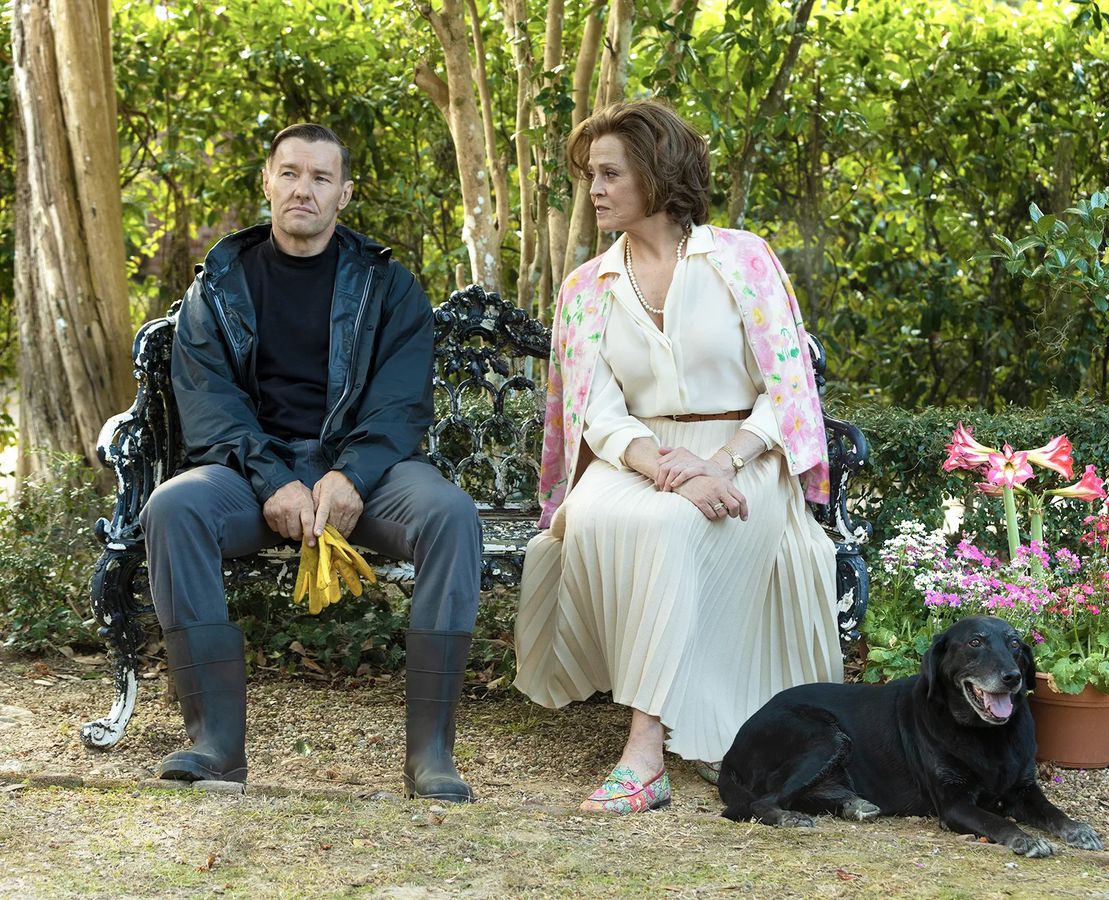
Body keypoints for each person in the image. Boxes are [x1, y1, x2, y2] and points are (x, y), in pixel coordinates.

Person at [514, 100, 843, 814]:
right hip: (636, 459)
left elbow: (785, 391)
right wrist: (660, 466)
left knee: (671, 529)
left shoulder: (742, 260)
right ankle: (649, 730)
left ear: (658, 176)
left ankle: (643, 752)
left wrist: (721, 463)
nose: (594, 189)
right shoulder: (586, 288)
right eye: (590, 175)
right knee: (600, 516)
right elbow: (592, 410)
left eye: (609, 174)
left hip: (745, 456)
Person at [140, 123, 482, 803]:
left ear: (344, 194)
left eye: (321, 178)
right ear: (267, 182)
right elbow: (212, 403)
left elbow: (399, 402)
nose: (303, 189)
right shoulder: (218, 287)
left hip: (369, 475)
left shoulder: (389, 287)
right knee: (173, 506)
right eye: (290, 173)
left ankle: (432, 757)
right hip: (249, 476)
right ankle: (215, 745)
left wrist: (350, 474)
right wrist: (274, 480)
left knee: (450, 513)